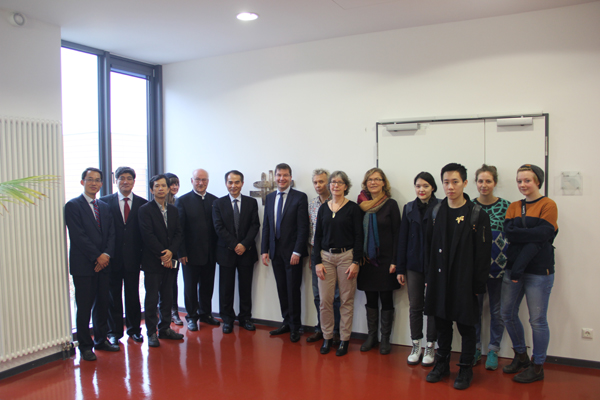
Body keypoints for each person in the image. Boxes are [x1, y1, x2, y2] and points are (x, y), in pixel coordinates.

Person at [424, 163, 491, 390]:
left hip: (465, 281)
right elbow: (428, 247)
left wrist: (478, 285)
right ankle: (441, 364)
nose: (450, 187)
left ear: (465, 183)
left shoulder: (477, 214)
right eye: (446, 182)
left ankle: (465, 368)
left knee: (466, 326)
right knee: (442, 324)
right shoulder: (436, 211)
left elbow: (483, 254)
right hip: (440, 279)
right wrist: (429, 277)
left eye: (455, 182)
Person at [501, 164, 558, 383]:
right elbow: (509, 233)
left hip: (538, 272)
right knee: (507, 313)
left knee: (537, 320)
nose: (522, 184)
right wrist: (531, 233)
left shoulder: (548, 205)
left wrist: (523, 234)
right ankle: (521, 356)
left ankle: (537, 366)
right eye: (519, 181)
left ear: (538, 182)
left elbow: (543, 235)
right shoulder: (514, 206)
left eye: (527, 180)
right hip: (513, 268)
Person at [65, 167, 118, 361]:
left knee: (103, 304)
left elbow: (111, 233)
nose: (94, 183)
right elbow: (78, 236)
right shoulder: (72, 206)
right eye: (90, 179)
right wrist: (97, 256)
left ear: (102, 184)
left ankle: (101, 340)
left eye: (97, 180)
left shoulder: (104, 206)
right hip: (84, 266)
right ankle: (85, 346)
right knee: (84, 307)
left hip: (104, 265)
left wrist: (106, 255)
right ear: (82, 182)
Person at [313, 171, 363, 356]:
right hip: (325, 258)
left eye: (339, 182)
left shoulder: (353, 209)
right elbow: (317, 237)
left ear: (345, 186)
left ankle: (344, 339)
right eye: (333, 182)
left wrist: (356, 261)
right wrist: (317, 262)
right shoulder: (323, 209)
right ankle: (327, 337)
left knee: (346, 301)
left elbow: (359, 237)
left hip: (346, 258)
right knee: (325, 301)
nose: (335, 185)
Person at [261, 163, 309, 342]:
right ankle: (286, 322)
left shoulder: (300, 197)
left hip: (293, 253)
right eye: (279, 175)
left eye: (285, 175)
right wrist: (264, 250)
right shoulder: (270, 197)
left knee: (293, 290)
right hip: (275, 252)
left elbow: (303, 228)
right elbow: (267, 225)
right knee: (282, 288)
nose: (282, 178)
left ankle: (295, 326)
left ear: (290, 177)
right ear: (275, 177)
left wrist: (297, 251)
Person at [396, 172, 440, 366]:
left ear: (433, 188)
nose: (421, 189)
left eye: (425, 186)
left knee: (432, 307)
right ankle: (416, 345)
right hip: (413, 265)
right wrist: (400, 269)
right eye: (418, 186)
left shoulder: (440, 207)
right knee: (415, 306)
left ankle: (430, 346)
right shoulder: (408, 208)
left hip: (434, 266)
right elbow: (402, 240)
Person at [356, 168, 401, 355]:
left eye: (377, 179)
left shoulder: (391, 204)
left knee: (386, 299)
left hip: (386, 261)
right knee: (371, 300)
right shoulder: (360, 205)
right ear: (365, 183)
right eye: (370, 180)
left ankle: (385, 338)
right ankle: (372, 336)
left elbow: (398, 235)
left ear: (384, 183)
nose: (373, 182)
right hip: (367, 261)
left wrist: (395, 261)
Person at [101, 166, 147, 345]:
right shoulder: (105, 202)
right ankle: (114, 332)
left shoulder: (143, 204)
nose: (125, 181)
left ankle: (134, 329)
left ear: (134, 182)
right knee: (113, 296)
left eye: (129, 178)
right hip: (112, 257)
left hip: (134, 258)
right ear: (116, 181)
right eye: (122, 178)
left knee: (133, 295)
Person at [472, 165, 510, 370]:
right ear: (475, 183)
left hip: (499, 268)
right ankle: (475, 347)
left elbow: (511, 237)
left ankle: (494, 349)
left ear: (495, 183)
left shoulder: (506, 206)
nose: (484, 185)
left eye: (488, 181)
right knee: (474, 310)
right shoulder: (469, 206)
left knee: (496, 310)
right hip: (475, 269)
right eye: (480, 181)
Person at [139, 174, 184, 347]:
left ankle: (165, 328)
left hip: (171, 261)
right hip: (152, 261)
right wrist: (163, 254)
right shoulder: (145, 210)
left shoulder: (173, 210)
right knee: (152, 298)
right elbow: (147, 235)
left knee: (167, 296)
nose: (160, 189)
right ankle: (151, 332)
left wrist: (171, 252)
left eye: (163, 186)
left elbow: (178, 233)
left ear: (168, 188)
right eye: (157, 186)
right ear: (152, 190)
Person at [213, 170, 260, 334]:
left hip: (247, 252)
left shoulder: (251, 202)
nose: (233, 186)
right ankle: (227, 319)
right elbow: (219, 227)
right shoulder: (218, 203)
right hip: (226, 252)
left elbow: (255, 225)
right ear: (226, 183)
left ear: (242, 183)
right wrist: (235, 245)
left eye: (237, 182)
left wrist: (244, 245)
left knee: (245, 288)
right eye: (230, 182)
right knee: (226, 289)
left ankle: (245, 318)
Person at [176, 169, 220, 332]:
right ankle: (192, 316)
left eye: (204, 180)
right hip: (190, 254)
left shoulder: (215, 201)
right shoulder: (182, 201)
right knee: (190, 288)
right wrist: (181, 252)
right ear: (192, 181)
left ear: (208, 181)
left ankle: (206, 314)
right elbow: (179, 229)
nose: (201, 183)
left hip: (210, 254)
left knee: (208, 286)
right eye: (197, 179)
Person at [306, 169, 341, 344]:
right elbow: (311, 231)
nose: (318, 185)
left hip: (333, 254)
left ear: (329, 183)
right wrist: (311, 256)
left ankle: (336, 331)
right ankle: (321, 328)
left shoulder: (338, 202)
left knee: (335, 296)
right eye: (315, 182)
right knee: (318, 294)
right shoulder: (312, 204)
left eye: (321, 181)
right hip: (316, 253)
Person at [164, 172, 183, 326]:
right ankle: (162, 312)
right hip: (159, 251)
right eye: (172, 184)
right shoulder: (157, 204)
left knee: (172, 282)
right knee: (159, 284)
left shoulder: (178, 203)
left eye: (177, 184)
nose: (175, 187)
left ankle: (174, 312)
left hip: (174, 250)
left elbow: (180, 231)